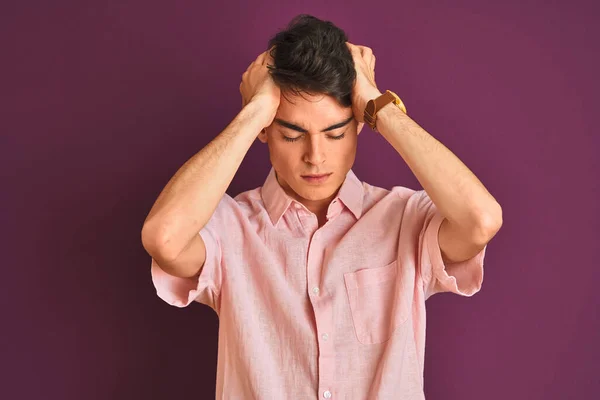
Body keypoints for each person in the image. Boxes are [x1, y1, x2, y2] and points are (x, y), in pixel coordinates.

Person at [141, 14, 502, 400]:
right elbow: (164, 238)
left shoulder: (404, 219)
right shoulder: (230, 228)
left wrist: (379, 105)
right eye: (292, 134)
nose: (316, 157)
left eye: (336, 133)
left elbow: (480, 220)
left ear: (360, 123)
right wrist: (255, 110)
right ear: (266, 131)